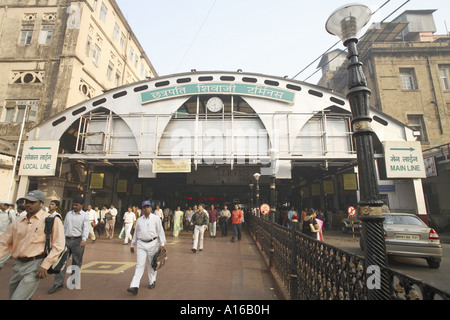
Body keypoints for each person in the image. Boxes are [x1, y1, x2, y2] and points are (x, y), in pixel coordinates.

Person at [0, 190, 65, 300]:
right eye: (27, 202)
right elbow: (4, 243)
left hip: (34, 266)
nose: (28, 205)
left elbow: (59, 245)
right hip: (17, 266)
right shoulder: (18, 222)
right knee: (16, 295)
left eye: (32, 202)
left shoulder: (51, 220)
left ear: (41, 203)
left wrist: (45, 264)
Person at [48, 197, 90, 294]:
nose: (74, 206)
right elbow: (65, 227)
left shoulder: (85, 215)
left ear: (81, 205)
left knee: (76, 262)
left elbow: (86, 228)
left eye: (77, 205)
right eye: (74, 205)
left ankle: (73, 281)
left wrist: (84, 239)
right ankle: (57, 283)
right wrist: (61, 239)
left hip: (78, 241)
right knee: (61, 262)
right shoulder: (68, 214)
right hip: (66, 240)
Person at [127, 200, 166, 295]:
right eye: (145, 207)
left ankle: (152, 281)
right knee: (139, 265)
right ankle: (134, 286)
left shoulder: (156, 219)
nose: (147, 208)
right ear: (142, 209)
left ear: (151, 208)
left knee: (151, 264)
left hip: (153, 243)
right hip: (141, 244)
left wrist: (162, 244)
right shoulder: (140, 220)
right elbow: (136, 233)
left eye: (148, 206)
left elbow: (161, 232)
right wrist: (132, 245)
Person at [0, 201, 16, 269]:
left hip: (6, 234)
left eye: (1, 205)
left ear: (6, 205)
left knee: (5, 249)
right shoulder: (1, 212)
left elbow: (14, 222)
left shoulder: (10, 212)